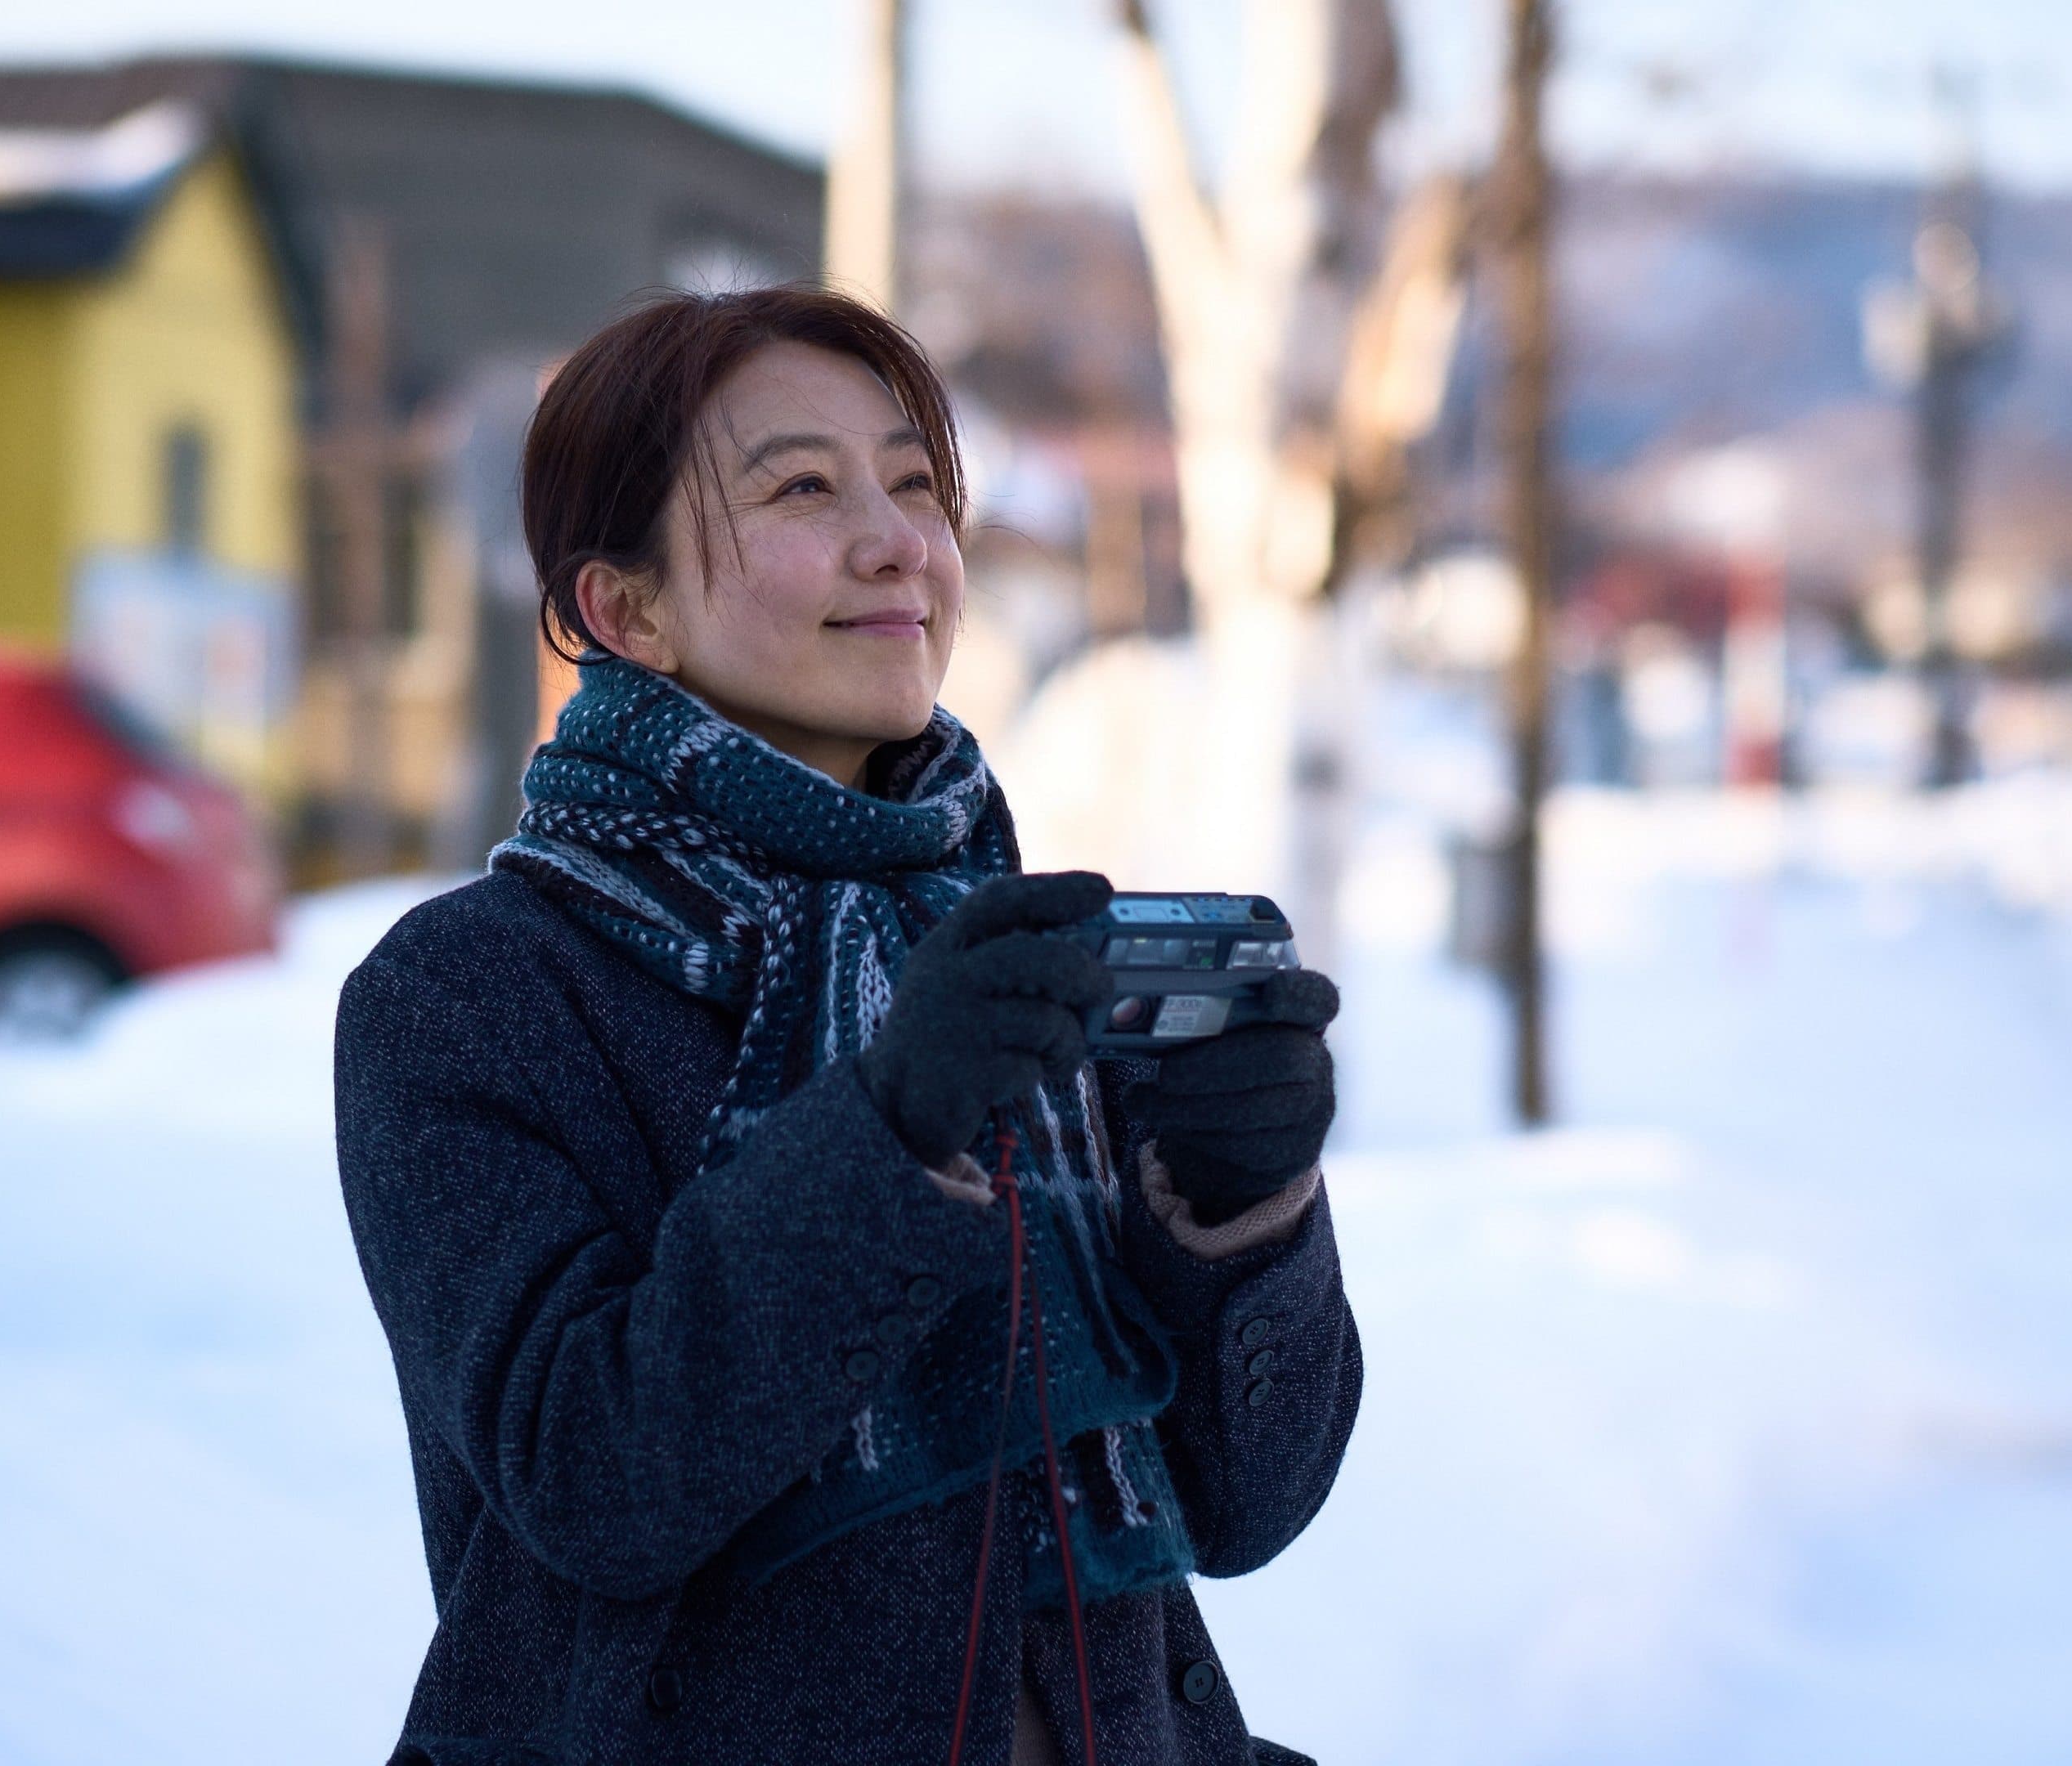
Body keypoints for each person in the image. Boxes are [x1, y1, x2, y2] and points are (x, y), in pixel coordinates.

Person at [333, 285, 1359, 1766]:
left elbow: (1245, 1501)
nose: (901, 541)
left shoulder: (1007, 949)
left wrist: (1238, 1211)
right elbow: (595, 1475)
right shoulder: (474, 994)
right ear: (625, 610)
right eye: (804, 487)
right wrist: (885, 1132)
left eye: (919, 483)